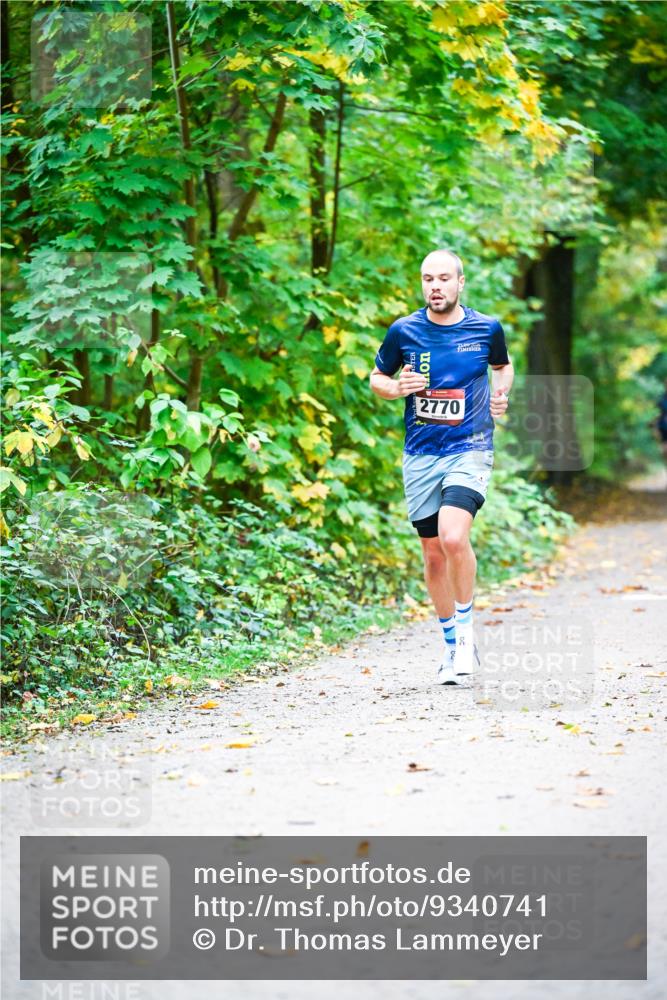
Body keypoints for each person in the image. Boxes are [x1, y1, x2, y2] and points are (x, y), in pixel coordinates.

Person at [369, 249, 514, 685]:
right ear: (422, 284)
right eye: (428, 279)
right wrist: (396, 388)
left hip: (469, 448)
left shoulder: (486, 328)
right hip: (421, 454)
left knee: (454, 535)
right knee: (432, 554)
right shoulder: (404, 331)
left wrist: (500, 394)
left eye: (444, 278)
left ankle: (467, 638)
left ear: (460, 283)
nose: (436, 286)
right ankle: (451, 646)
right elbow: (376, 378)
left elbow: (502, 367)